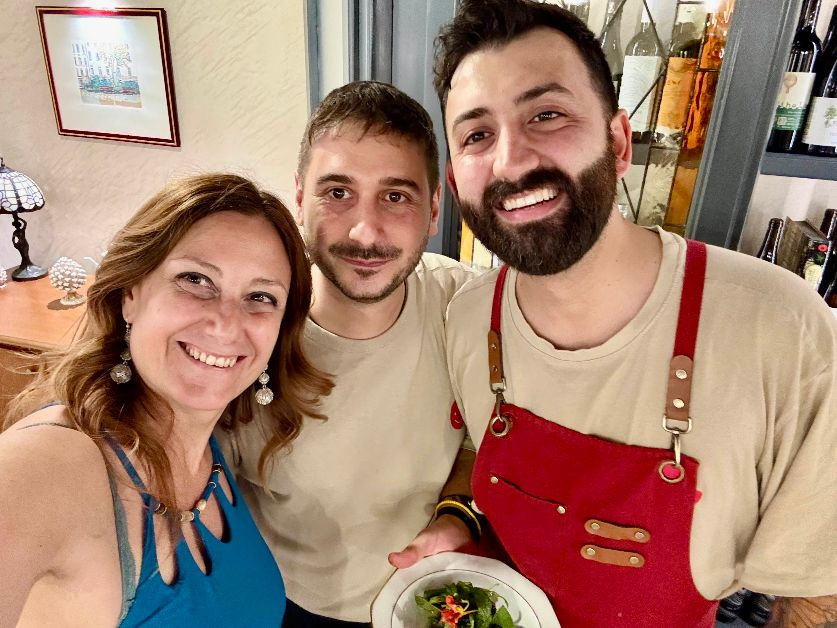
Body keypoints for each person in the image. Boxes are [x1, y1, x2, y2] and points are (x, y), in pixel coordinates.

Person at [434, 1, 837, 627]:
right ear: (457, 183)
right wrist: (454, 521)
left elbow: (816, 594)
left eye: (546, 114)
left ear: (619, 142)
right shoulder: (466, 320)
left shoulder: (783, 330)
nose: (510, 161)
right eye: (477, 135)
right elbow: (469, 453)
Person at [0, 173, 331, 626]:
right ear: (130, 295)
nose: (225, 324)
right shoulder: (46, 466)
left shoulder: (213, 450)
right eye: (195, 279)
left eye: (260, 296)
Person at [222, 81, 480, 626]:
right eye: (338, 192)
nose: (365, 232)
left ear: (435, 208)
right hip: (284, 603)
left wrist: (458, 515)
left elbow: (489, 438)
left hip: (430, 598)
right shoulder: (244, 330)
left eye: (396, 196)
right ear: (299, 198)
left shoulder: (467, 309)